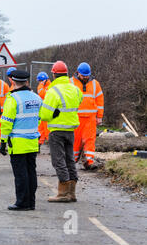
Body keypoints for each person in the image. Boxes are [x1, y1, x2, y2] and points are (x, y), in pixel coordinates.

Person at [39, 61, 83, 203]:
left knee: (59, 161)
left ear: (54, 74)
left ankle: (63, 193)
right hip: (70, 130)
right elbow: (79, 101)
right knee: (70, 160)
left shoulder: (53, 90)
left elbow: (45, 115)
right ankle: (72, 192)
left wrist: (54, 113)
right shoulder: (75, 89)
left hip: (57, 131)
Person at [0, 70, 43, 211]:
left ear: (13, 81)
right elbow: (41, 117)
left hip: (17, 142)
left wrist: (3, 141)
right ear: (27, 81)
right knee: (31, 172)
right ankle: (31, 202)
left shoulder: (13, 99)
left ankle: (22, 202)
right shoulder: (36, 98)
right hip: (32, 141)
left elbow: (6, 123)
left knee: (20, 174)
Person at [71, 62, 104, 170]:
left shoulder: (95, 84)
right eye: (83, 75)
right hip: (76, 117)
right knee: (75, 141)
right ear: (78, 73)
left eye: (87, 75)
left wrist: (99, 116)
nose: (85, 77)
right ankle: (73, 160)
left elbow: (100, 101)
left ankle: (89, 161)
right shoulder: (70, 82)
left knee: (90, 140)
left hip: (90, 118)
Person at [36, 72, 51, 148]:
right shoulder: (43, 86)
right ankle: (38, 144)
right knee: (40, 129)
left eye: (40, 81)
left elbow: (42, 94)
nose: (39, 82)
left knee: (47, 130)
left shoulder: (49, 86)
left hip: (48, 112)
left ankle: (52, 146)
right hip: (42, 111)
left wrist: (41, 84)